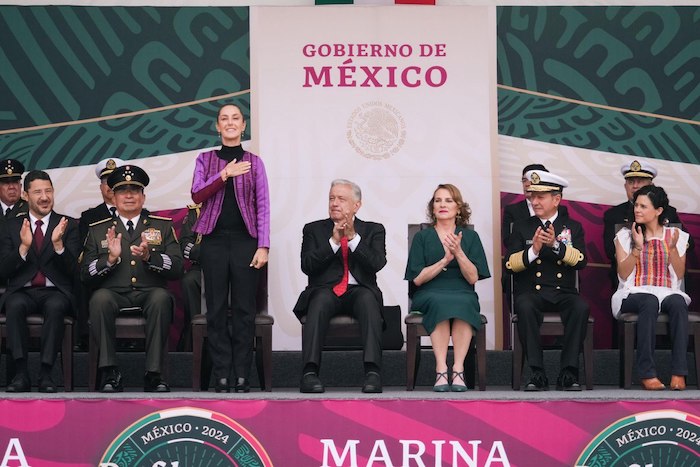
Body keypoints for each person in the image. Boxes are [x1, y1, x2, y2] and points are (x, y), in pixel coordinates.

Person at [81, 165, 183, 393]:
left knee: (161, 298)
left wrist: (150, 257)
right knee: (99, 299)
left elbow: (177, 268)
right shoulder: (99, 230)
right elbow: (85, 275)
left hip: (149, 291)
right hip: (114, 293)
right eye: (123, 191)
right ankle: (109, 371)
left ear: (143, 197)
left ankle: (154, 374)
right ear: (113, 197)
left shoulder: (161, 226)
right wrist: (109, 260)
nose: (129, 196)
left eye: (135, 191)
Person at [190, 103, 269, 393]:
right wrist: (225, 174)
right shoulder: (205, 159)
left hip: (246, 242)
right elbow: (197, 194)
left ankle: (242, 375)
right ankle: (222, 374)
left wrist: (264, 245)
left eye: (235, 118)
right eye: (224, 119)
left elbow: (263, 206)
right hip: (214, 241)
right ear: (217, 126)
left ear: (243, 125)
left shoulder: (255, 162)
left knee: (245, 310)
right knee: (217, 309)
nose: (230, 122)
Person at [293, 179, 386, 394]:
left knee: (368, 299)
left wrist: (352, 238)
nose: (334, 203)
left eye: (341, 199)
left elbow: (377, 263)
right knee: (319, 300)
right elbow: (307, 266)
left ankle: (373, 372)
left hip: (359, 290)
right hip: (326, 290)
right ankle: (309, 373)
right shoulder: (313, 229)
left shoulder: (373, 230)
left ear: (357, 205)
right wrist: (333, 242)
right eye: (331, 198)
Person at [505, 169, 589, 391]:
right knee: (524, 306)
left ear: (557, 199)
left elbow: (581, 261)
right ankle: (536, 373)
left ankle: (568, 373)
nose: (534, 201)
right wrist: (534, 250)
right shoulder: (522, 226)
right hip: (532, 291)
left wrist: (555, 245)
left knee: (580, 307)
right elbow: (510, 264)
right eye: (533, 196)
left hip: (564, 292)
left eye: (540, 197)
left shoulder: (572, 227)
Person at [405, 184, 490, 392]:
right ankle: (441, 368)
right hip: (428, 293)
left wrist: (459, 253)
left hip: (462, 291)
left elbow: (472, 278)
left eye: (448, 200)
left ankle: (458, 369)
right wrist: (444, 260)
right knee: (440, 301)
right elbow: (417, 279)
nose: (443, 204)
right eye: (438, 200)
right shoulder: (422, 237)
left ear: (458, 208)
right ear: (432, 208)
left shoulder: (470, 237)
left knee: (463, 301)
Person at [0, 170, 80, 392]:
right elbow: (2, 270)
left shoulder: (68, 225)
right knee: (14, 306)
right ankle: (21, 373)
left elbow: (75, 271)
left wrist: (58, 246)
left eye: (48, 191)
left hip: (55, 291)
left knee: (55, 307)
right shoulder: (11, 226)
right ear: (26, 196)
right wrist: (23, 248)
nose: (44, 197)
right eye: (37, 192)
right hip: (21, 291)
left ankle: (46, 373)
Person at [612, 185, 690, 391]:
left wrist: (672, 250)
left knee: (679, 302)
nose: (637, 209)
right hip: (633, 292)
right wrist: (637, 248)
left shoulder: (676, 235)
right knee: (649, 300)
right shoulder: (625, 236)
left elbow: (680, 274)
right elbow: (623, 273)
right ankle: (647, 373)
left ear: (658, 211)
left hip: (667, 290)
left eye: (643, 206)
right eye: (636, 205)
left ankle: (678, 373)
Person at [603, 159, 691, 290]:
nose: (635, 186)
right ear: (625, 186)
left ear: (651, 185)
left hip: (665, 274)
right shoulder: (614, 215)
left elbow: (688, 244)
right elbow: (611, 251)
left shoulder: (667, 212)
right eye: (631, 182)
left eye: (640, 181)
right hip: (630, 277)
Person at [502, 164, 568, 247]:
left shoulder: (561, 210)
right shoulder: (512, 210)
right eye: (524, 180)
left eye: (533, 180)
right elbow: (509, 242)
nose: (527, 184)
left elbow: (567, 239)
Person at [78, 158, 125, 242]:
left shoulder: (141, 214)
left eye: (115, 181)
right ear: (101, 187)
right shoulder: (89, 217)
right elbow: (83, 251)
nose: (111, 186)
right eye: (107, 181)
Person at [177, 203, 202, 351]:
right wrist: (211, 250)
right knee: (189, 280)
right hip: (202, 267)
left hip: (232, 267)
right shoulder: (196, 211)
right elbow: (185, 246)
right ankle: (195, 337)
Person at [0, 159, 28, 231]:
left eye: (15, 182)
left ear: (20, 186)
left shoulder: (31, 209)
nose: (12, 187)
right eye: (6, 183)